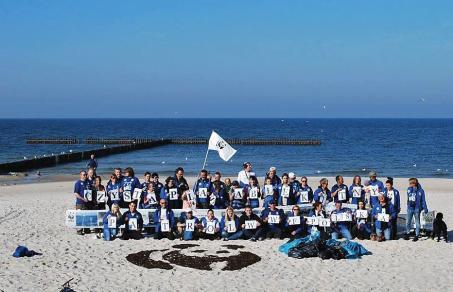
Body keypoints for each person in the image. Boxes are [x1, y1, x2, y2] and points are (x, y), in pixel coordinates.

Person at [73, 170, 91, 235]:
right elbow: (76, 193)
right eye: (83, 175)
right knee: (80, 216)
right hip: (80, 203)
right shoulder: (78, 183)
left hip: (87, 203)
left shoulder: (88, 182)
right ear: (80, 175)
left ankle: (86, 229)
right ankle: (79, 230)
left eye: (86, 174)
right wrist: (83, 199)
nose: (85, 176)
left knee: (86, 216)